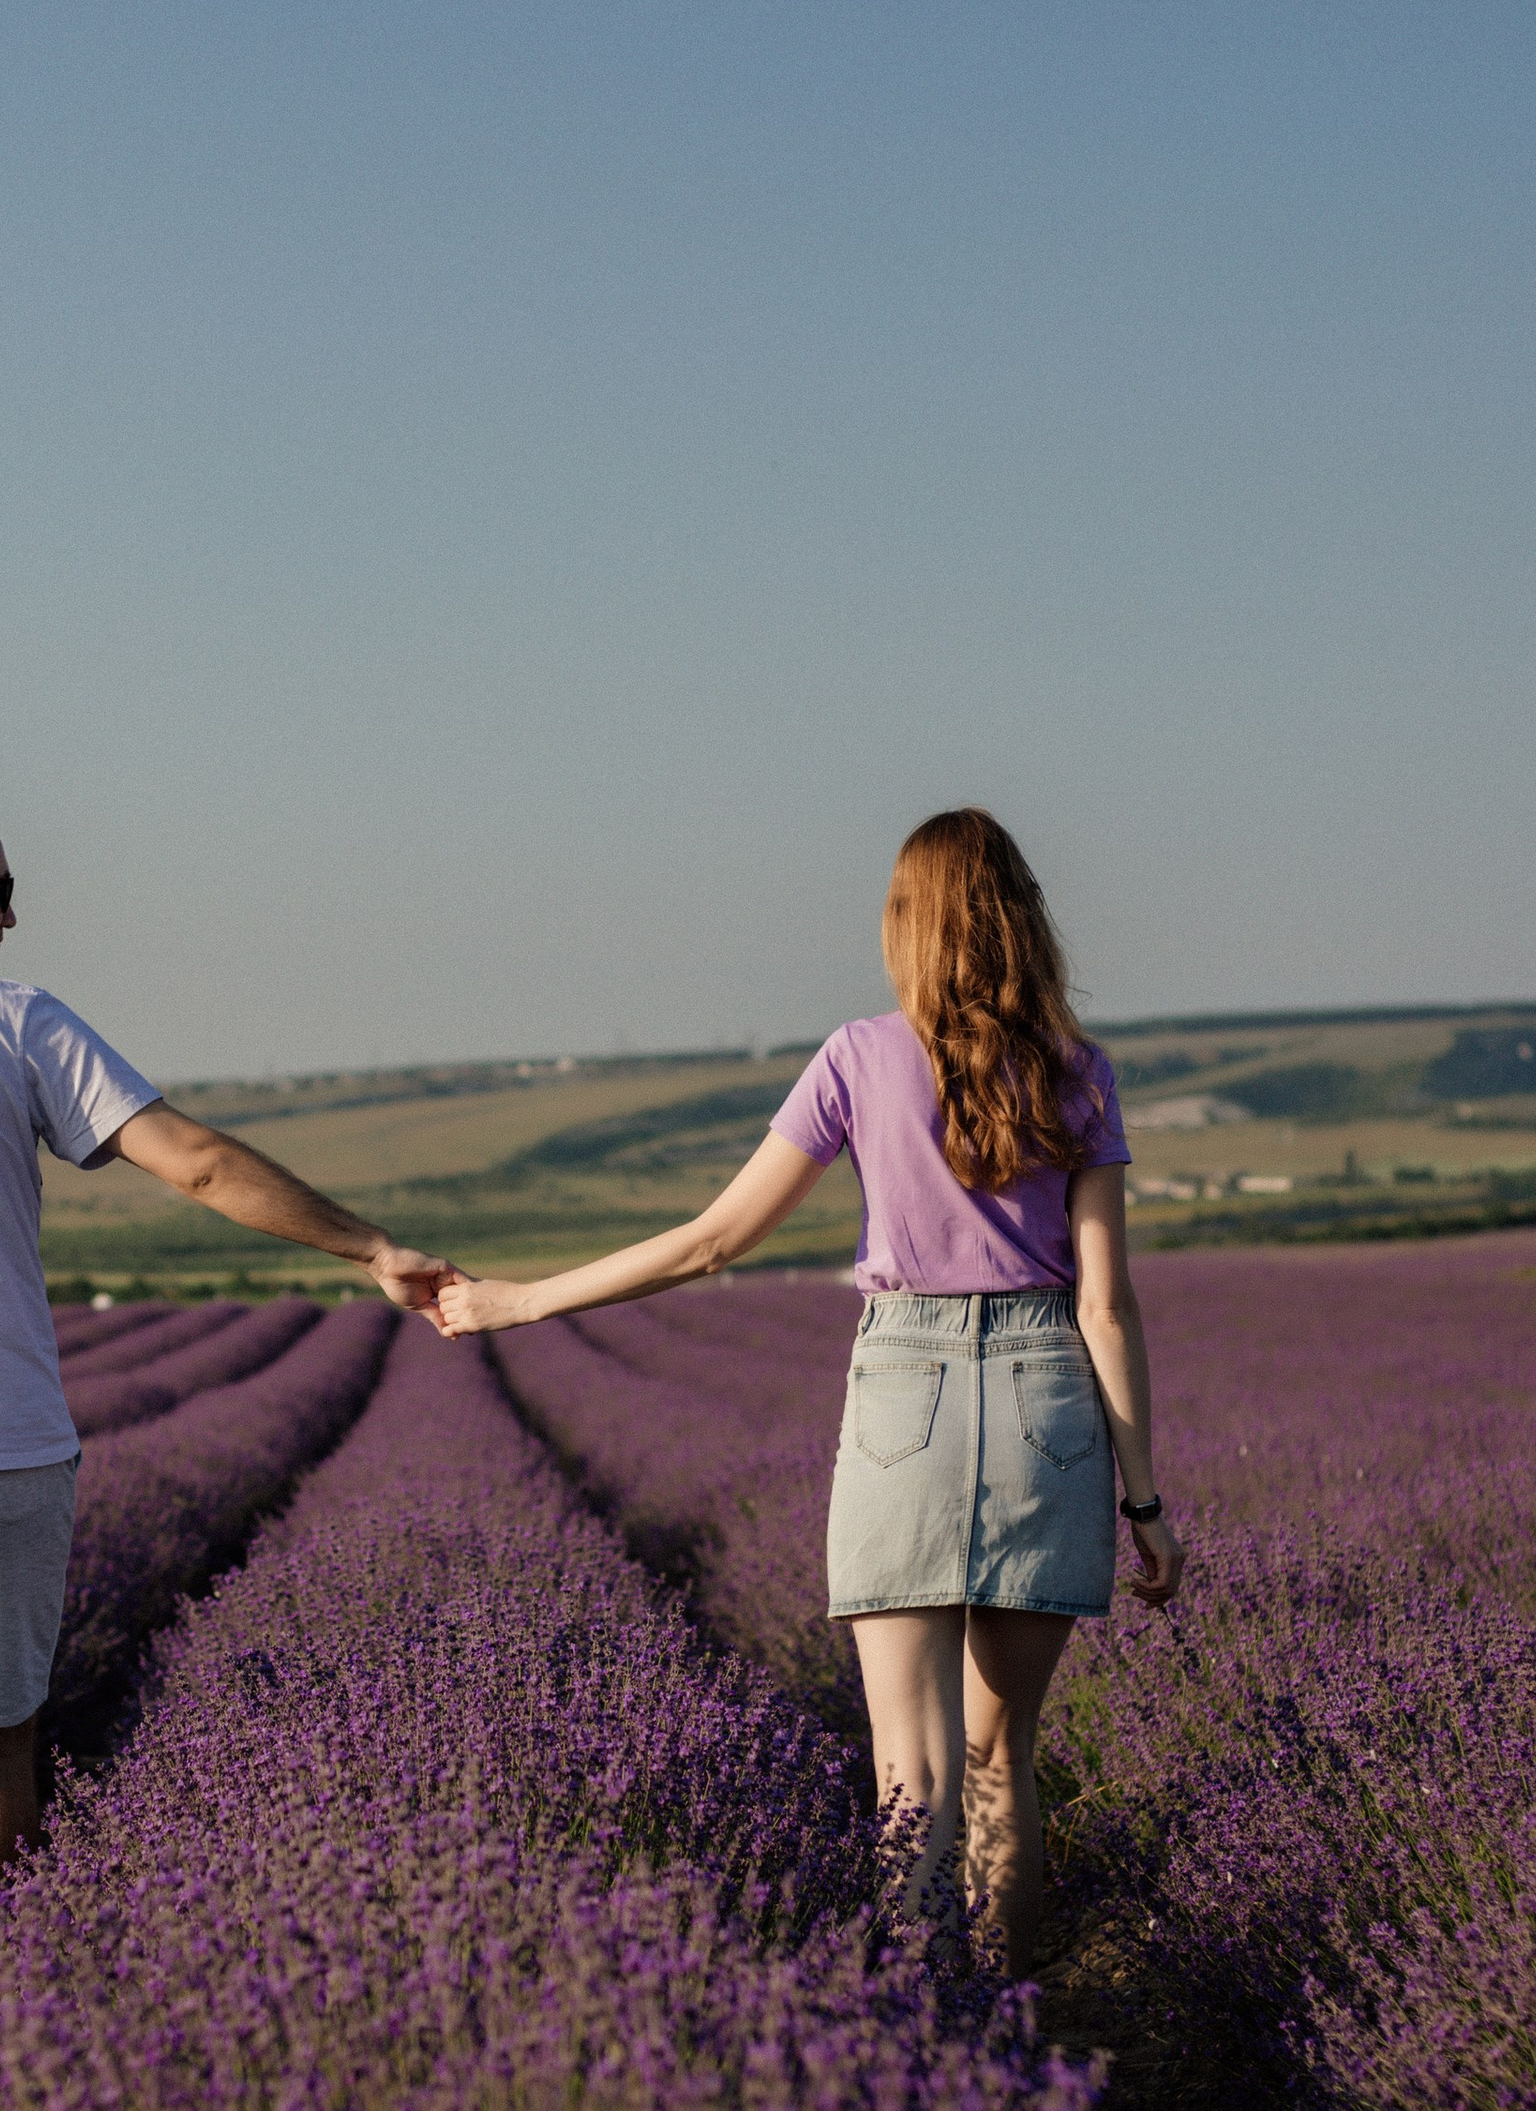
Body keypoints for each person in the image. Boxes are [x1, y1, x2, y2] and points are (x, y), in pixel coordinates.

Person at [0, 785, 451, 2033]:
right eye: (1, 889)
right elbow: (199, 1164)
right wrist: (370, 1247)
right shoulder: (12, 1021)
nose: (15, 915)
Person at [438, 807, 1184, 1973]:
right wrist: (1144, 1503)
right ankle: (1020, 2025)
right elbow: (1106, 1306)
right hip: (1050, 1403)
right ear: (1021, 918)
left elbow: (712, 1241)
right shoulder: (1078, 1071)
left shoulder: (857, 1055)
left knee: (912, 1769)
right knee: (1005, 1760)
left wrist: (521, 1300)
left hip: (907, 1396)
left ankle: (936, 2043)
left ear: (907, 925)